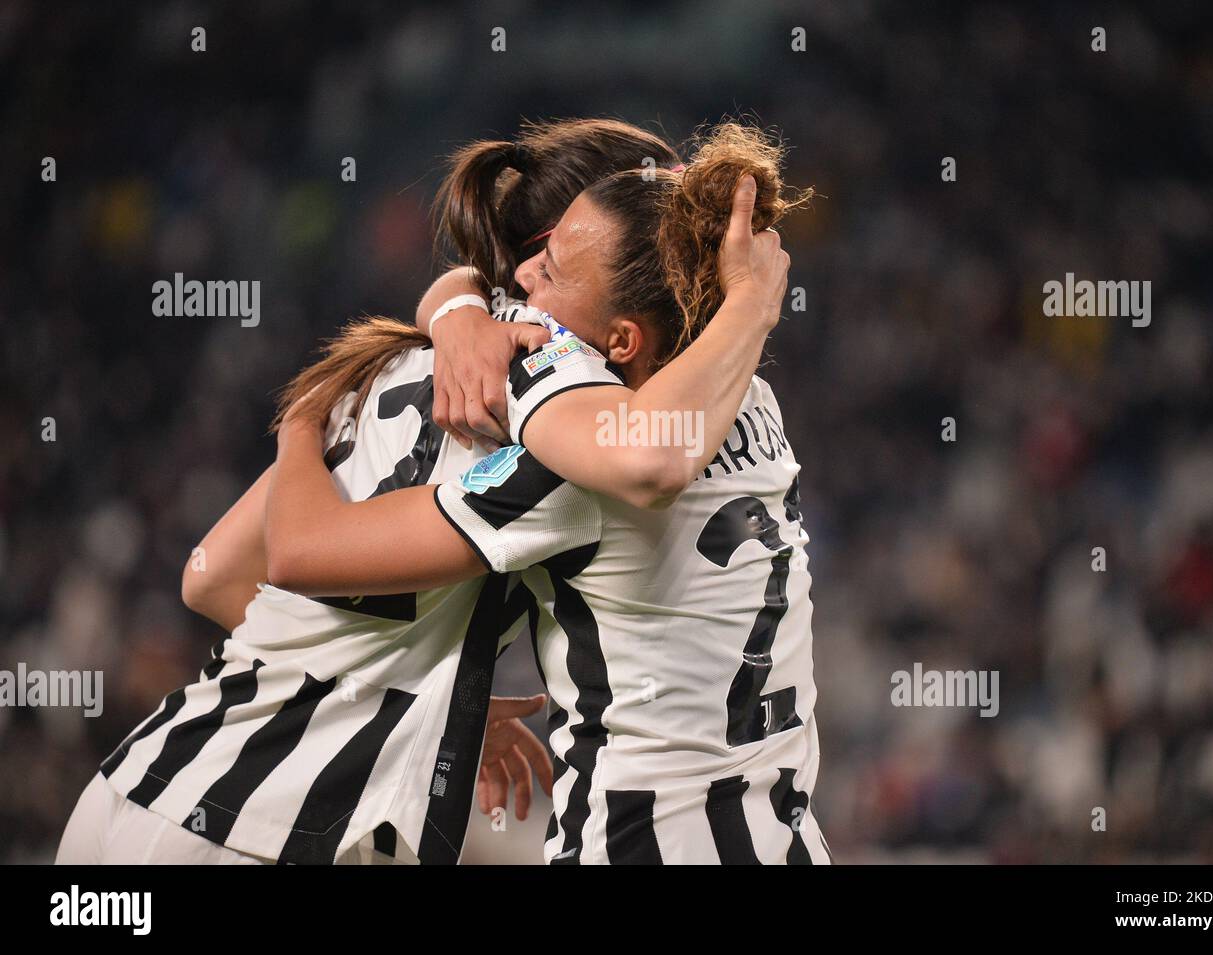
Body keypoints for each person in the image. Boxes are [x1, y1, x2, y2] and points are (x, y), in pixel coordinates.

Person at [56, 119, 784, 864]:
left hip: (139, 785)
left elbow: (210, 573)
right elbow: (648, 456)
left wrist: (427, 690)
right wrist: (750, 305)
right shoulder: (557, 416)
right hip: (263, 829)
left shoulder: (406, 357)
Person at [268, 122, 830, 863]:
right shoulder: (747, 392)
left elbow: (297, 551)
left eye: (551, 269)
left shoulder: (566, 421)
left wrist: (302, 418)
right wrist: (459, 308)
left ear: (621, 339)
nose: (522, 288)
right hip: (785, 839)